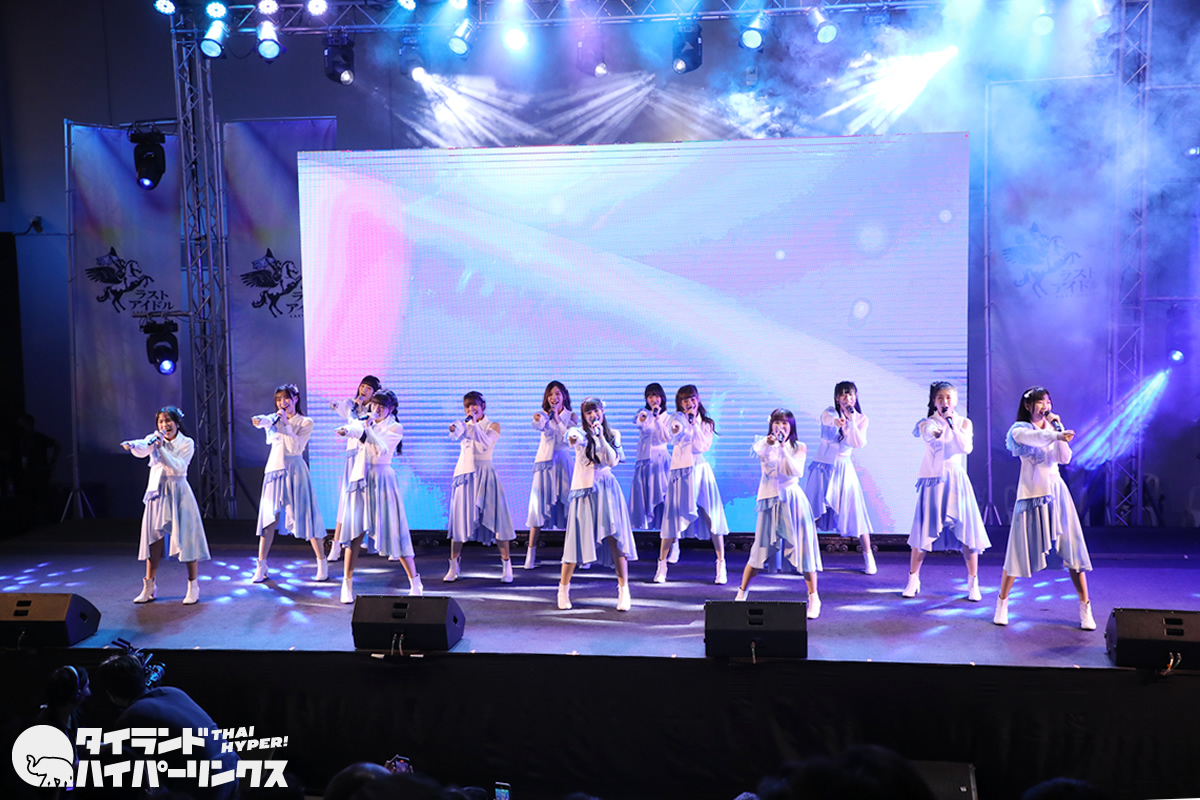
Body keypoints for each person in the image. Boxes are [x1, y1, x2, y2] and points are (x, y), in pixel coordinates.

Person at [995, 386, 1095, 630]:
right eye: (1040, 402)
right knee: (1017, 551)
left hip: (1056, 493)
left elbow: (1064, 458)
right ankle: (1002, 603)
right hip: (1031, 495)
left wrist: (1058, 431)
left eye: (1048, 402)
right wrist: (1055, 435)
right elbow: (1034, 438)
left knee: (1073, 550)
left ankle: (1085, 608)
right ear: (1028, 405)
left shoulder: (1054, 429)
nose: (1045, 406)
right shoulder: (1019, 429)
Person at [95, 653, 239, 800]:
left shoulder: (132, 716)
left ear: (110, 692)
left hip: (207, 788)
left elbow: (126, 768)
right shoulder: (173, 692)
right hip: (232, 770)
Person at [903, 381, 991, 601]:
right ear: (934, 401)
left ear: (955, 400)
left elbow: (966, 448)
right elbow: (929, 434)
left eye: (949, 397)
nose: (945, 402)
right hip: (933, 481)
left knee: (968, 532)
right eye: (940, 398)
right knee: (923, 532)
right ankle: (913, 579)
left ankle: (973, 582)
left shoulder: (964, 423)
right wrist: (938, 430)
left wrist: (952, 426)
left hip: (956, 480)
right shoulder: (927, 422)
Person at [335, 389, 421, 603]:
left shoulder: (395, 427)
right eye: (375, 404)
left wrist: (366, 428)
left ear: (392, 408)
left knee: (395, 531)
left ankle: (415, 581)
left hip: (383, 479)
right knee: (354, 533)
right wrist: (347, 430)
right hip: (360, 478)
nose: (377, 408)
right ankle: (347, 584)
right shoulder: (367, 421)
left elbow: (380, 449)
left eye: (382, 405)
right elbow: (356, 430)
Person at [735, 409, 823, 618]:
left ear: (791, 426)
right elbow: (761, 455)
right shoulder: (764, 444)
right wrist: (772, 444)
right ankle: (741, 593)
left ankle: (814, 598)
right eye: (777, 422)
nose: (780, 427)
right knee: (760, 548)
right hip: (770, 500)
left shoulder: (799, 447)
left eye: (784, 423)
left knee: (804, 549)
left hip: (793, 500)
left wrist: (783, 448)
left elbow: (795, 471)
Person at [121, 406, 209, 605]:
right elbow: (143, 446)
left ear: (177, 422)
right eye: (161, 421)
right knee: (153, 539)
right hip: (157, 492)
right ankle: (149, 586)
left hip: (178, 492)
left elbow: (178, 468)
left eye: (168, 420)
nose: (164, 425)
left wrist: (160, 448)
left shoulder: (187, 443)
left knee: (186, 538)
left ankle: (193, 585)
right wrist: (132, 444)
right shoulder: (154, 439)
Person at [557, 397, 638, 611]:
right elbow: (572, 438)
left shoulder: (613, 434)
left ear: (602, 412)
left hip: (607, 490)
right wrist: (579, 437)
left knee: (615, 540)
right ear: (584, 416)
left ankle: (624, 591)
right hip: (584, 492)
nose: (593, 416)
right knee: (575, 542)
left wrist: (600, 437)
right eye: (588, 413)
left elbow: (611, 461)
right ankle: (563, 590)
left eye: (596, 411)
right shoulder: (578, 432)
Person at [251, 384, 327, 584]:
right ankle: (261, 565)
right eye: (278, 399)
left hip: (296, 471)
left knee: (308, 516)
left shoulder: (305, 422)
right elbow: (265, 422)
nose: (282, 403)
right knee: (268, 520)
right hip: (274, 471)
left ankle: (322, 563)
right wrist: (260, 420)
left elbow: (296, 448)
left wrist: (285, 424)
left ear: (295, 399)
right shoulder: (275, 419)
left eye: (286, 398)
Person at [655, 384, 729, 584]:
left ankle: (721, 564)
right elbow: (671, 438)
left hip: (700, 470)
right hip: (680, 471)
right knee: (672, 518)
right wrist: (678, 428)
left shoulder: (706, 423)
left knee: (712, 516)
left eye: (692, 399)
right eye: (685, 400)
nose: (689, 403)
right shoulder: (675, 419)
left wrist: (694, 424)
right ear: (680, 403)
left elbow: (702, 446)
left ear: (698, 400)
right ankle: (662, 566)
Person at [804, 381, 876, 574]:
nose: (847, 398)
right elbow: (827, 419)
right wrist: (838, 422)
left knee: (856, 512)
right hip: (821, 468)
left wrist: (850, 422)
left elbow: (858, 442)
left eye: (850, 394)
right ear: (837, 398)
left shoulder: (861, 419)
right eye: (843, 394)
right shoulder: (829, 412)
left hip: (843, 468)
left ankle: (868, 556)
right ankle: (806, 557)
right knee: (812, 512)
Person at [445, 391, 516, 583]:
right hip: (465, 475)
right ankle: (453, 566)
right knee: (460, 521)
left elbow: (485, 444)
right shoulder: (464, 424)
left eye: (474, 405)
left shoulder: (493, 425)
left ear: (482, 406)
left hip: (486, 473)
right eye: (467, 406)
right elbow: (455, 434)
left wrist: (474, 424)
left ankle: (506, 565)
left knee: (498, 519)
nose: (471, 409)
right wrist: (454, 429)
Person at [327, 375, 381, 563]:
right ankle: (336, 546)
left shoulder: (375, 410)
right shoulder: (352, 404)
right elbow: (338, 408)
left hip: (368, 457)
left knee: (370, 500)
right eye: (362, 386)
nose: (364, 390)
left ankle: (375, 541)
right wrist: (342, 406)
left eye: (369, 388)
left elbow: (365, 428)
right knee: (346, 501)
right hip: (352, 456)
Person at [524, 381, 576, 569]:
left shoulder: (571, 416)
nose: (554, 398)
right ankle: (530, 552)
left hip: (563, 463)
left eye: (558, 394)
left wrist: (558, 419)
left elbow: (569, 438)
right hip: (544, 464)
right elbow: (538, 425)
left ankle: (575, 553)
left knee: (571, 509)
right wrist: (542, 418)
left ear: (564, 396)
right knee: (538, 508)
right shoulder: (543, 415)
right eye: (551, 394)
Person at [629, 382, 671, 531]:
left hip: (660, 460)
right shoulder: (644, 413)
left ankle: (667, 532)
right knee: (645, 495)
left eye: (656, 396)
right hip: (644, 460)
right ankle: (648, 529)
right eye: (650, 396)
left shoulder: (668, 417)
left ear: (662, 397)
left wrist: (658, 418)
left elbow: (666, 437)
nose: (653, 400)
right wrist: (646, 417)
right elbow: (640, 423)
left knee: (663, 495)